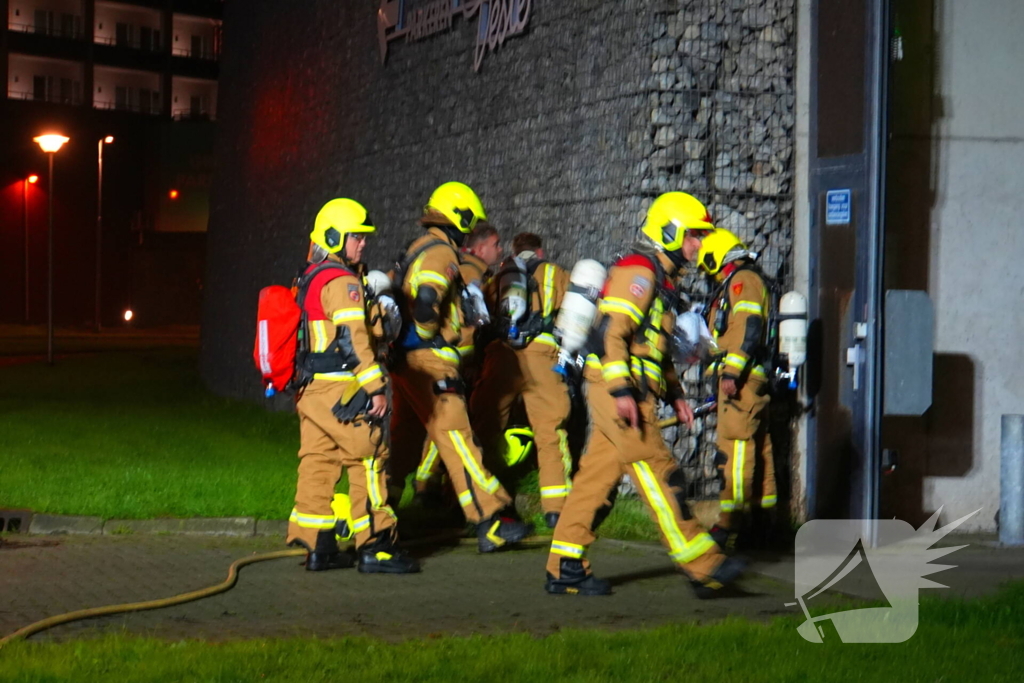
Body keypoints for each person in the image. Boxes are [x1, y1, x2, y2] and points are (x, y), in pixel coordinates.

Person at [544, 192, 744, 597]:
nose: (699, 244)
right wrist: (621, 391)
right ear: (669, 232)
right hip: (620, 392)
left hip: (627, 391)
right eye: (693, 236)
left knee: (594, 481)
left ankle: (564, 565)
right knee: (660, 471)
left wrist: (676, 395)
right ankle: (703, 565)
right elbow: (610, 334)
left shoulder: (658, 279)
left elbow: (654, 348)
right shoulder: (639, 272)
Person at [389, 182, 532, 552]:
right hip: (430, 362)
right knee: (458, 438)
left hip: (405, 363)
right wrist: (431, 339)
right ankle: (491, 517)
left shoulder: (417, 248)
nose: (469, 231)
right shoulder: (441, 254)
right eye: (469, 223)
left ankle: (377, 515)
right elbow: (426, 301)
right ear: (460, 217)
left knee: (403, 443)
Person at [286, 198, 418, 574]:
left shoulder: (308, 277)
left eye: (363, 237)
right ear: (332, 236)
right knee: (370, 459)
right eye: (355, 237)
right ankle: (376, 545)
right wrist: (376, 387)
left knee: (317, 462)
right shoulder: (344, 282)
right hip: (344, 389)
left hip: (311, 391)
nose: (362, 243)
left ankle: (318, 546)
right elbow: (353, 340)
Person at [470, 232, 572, 529]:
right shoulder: (556, 273)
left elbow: (482, 317)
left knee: (487, 429)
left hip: (503, 359)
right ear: (540, 251)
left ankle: (492, 507)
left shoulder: (501, 277)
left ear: (515, 252)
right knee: (551, 432)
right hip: (543, 357)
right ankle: (556, 510)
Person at [413, 221, 504, 504]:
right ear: (479, 247)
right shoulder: (470, 271)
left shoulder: (474, 271)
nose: (500, 250)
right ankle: (432, 487)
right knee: (451, 423)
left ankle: (426, 486)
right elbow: (466, 320)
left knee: (443, 423)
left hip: (451, 356)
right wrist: (467, 358)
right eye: (495, 244)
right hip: (452, 357)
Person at [697, 228, 777, 550]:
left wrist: (731, 372)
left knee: (736, 451)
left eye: (709, 268)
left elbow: (748, 327)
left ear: (717, 258)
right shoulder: (747, 280)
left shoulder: (743, 281)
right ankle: (764, 526)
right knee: (760, 450)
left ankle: (732, 523)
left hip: (741, 381)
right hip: (748, 379)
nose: (709, 276)